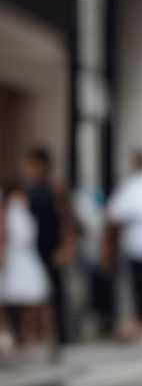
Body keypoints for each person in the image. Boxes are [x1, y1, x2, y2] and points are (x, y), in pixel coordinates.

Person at [107, 150, 142, 340]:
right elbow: (114, 208)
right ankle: (129, 321)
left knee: (141, 283)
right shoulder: (130, 182)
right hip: (129, 242)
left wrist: (124, 213)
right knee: (129, 283)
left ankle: (141, 320)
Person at [22, 147, 75, 346]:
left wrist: (67, 247)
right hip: (33, 249)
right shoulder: (28, 189)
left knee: (56, 292)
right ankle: (36, 335)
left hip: (53, 247)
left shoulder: (56, 187)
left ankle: (62, 335)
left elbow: (67, 220)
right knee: (32, 292)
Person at [1, 182, 51, 353]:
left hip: (27, 259)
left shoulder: (24, 213)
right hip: (14, 259)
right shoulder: (9, 214)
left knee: (33, 299)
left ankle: (32, 335)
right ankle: (14, 335)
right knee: (13, 299)